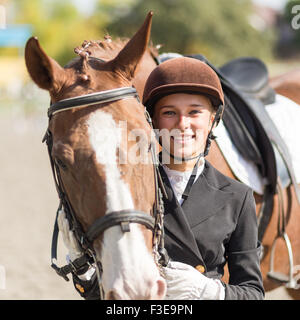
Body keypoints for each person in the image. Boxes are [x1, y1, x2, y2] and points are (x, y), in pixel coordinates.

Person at [58, 56, 264, 300]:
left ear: (211, 120)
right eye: (169, 112)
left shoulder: (238, 197)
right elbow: (105, 294)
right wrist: (82, 266)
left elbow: (253, 293)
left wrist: (208, 291)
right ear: (153, 122)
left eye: (195, 112)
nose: (182, 124)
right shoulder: (125, 189)